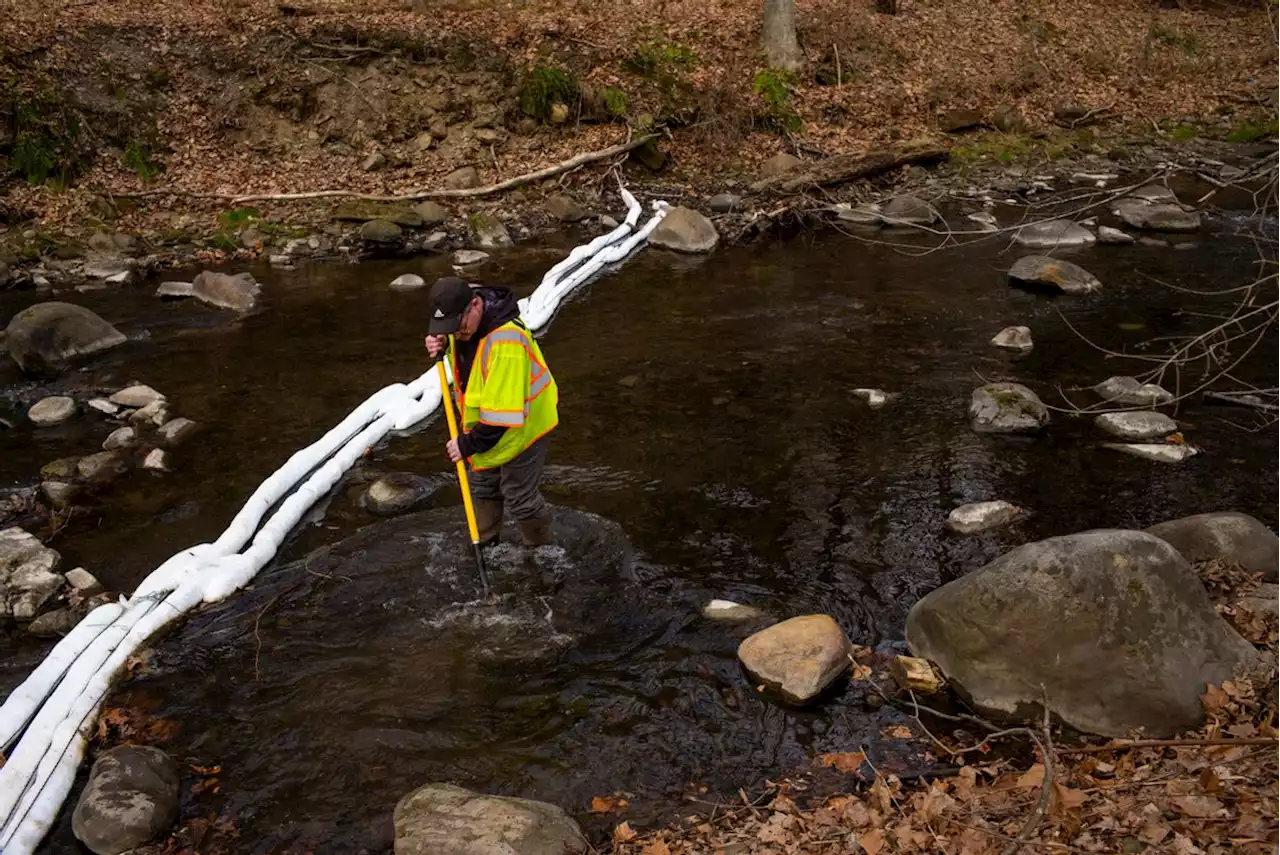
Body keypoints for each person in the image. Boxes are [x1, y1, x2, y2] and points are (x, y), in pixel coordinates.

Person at [424, 276, 558, 547]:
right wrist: (444, 344)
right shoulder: (464, 316)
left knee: (520, 498)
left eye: (456, 327)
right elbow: (466, 352)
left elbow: (501, 418)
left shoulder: (507, 343)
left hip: (523, 428)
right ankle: (485, 544)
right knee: (484, 486)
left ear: (475, 305)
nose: (456, 333)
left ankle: (542, 552)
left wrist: (466, 444)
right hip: (486, 427)